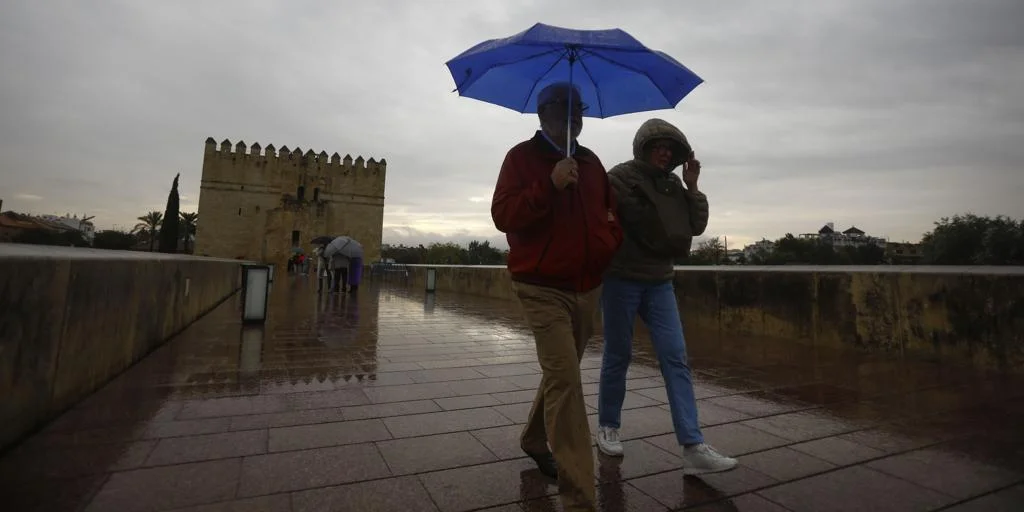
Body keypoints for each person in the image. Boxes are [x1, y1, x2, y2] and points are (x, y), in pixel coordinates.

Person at [491, 82, 623, 511]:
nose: (574, 118)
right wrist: (547, 186)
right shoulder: (521, 158)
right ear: (543, 114)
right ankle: (581, 498)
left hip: (588, 287)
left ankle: (533, 438)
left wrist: (608, 241)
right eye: (564, 111)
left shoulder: (592, 163)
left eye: (578, 110)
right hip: (541, 287)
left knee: (560, 374)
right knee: (567, 381)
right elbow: (503, 215)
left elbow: (610, 215)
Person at [596, 118, 738, 474]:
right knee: (618, 354)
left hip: (660, 281)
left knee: (676, 358)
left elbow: (695, 226)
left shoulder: (675, 184)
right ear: (642, 146)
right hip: (621, 279)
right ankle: (608, 426)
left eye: (670, 149)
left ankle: (692, 444)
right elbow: (635, 223)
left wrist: (691, 186)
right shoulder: (619, 177)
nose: (664, 153)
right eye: (657, 146)